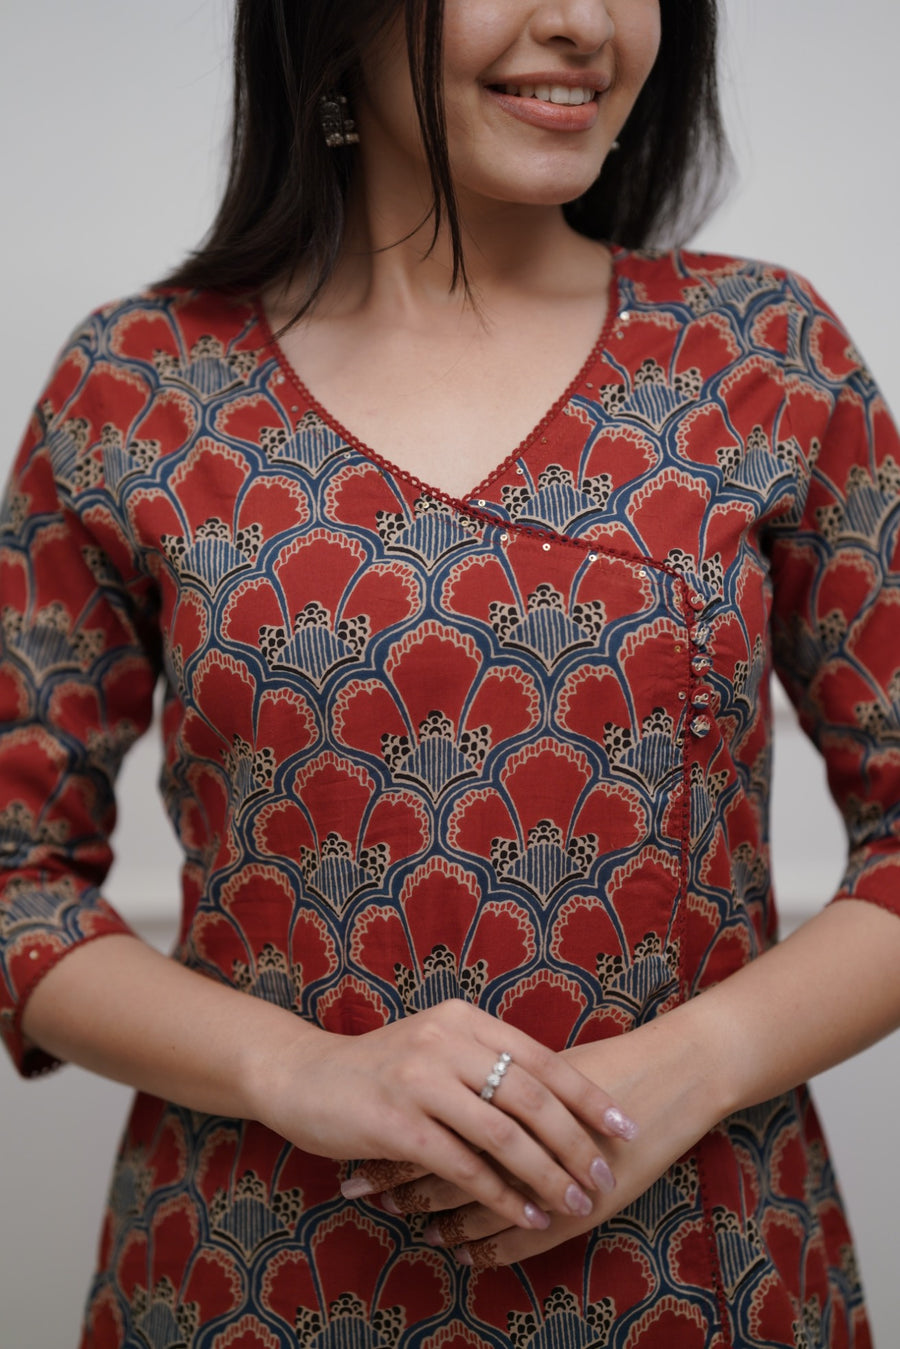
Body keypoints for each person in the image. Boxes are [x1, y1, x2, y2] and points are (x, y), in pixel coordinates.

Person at [1, 0, 899, 1344]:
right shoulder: (139, 387)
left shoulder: (764, 354)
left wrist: (690, 1069)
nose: (581, 22)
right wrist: (297, 1070)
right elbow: (16, 874)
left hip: (699, 1269)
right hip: (253, 1275)